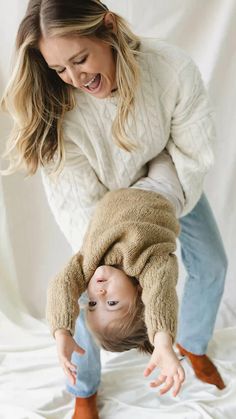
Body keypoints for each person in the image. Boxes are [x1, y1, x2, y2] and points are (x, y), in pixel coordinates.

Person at [1, 1, 227, 418]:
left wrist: (161, 200)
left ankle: (189, 344)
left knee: (212, 263)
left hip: (169, 187)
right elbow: (78, 209)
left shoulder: (171, 69)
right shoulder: (58, 114)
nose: (74, 77)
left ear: (107, 28)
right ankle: (83, 387)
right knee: (91, 290)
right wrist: (62, 328)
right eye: (59, 69)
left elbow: (192, 151)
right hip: (102, 217)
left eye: (80, 58)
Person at [46, 187, 185, 398]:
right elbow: (160, 294)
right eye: (111, 303)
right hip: (157, 188)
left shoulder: (87, 266)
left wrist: (61, 332)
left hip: (116, 188)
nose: (99, 293)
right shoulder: (149, 265)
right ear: (140, 293)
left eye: (92, 303)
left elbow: (62, 284)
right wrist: (163, 342)